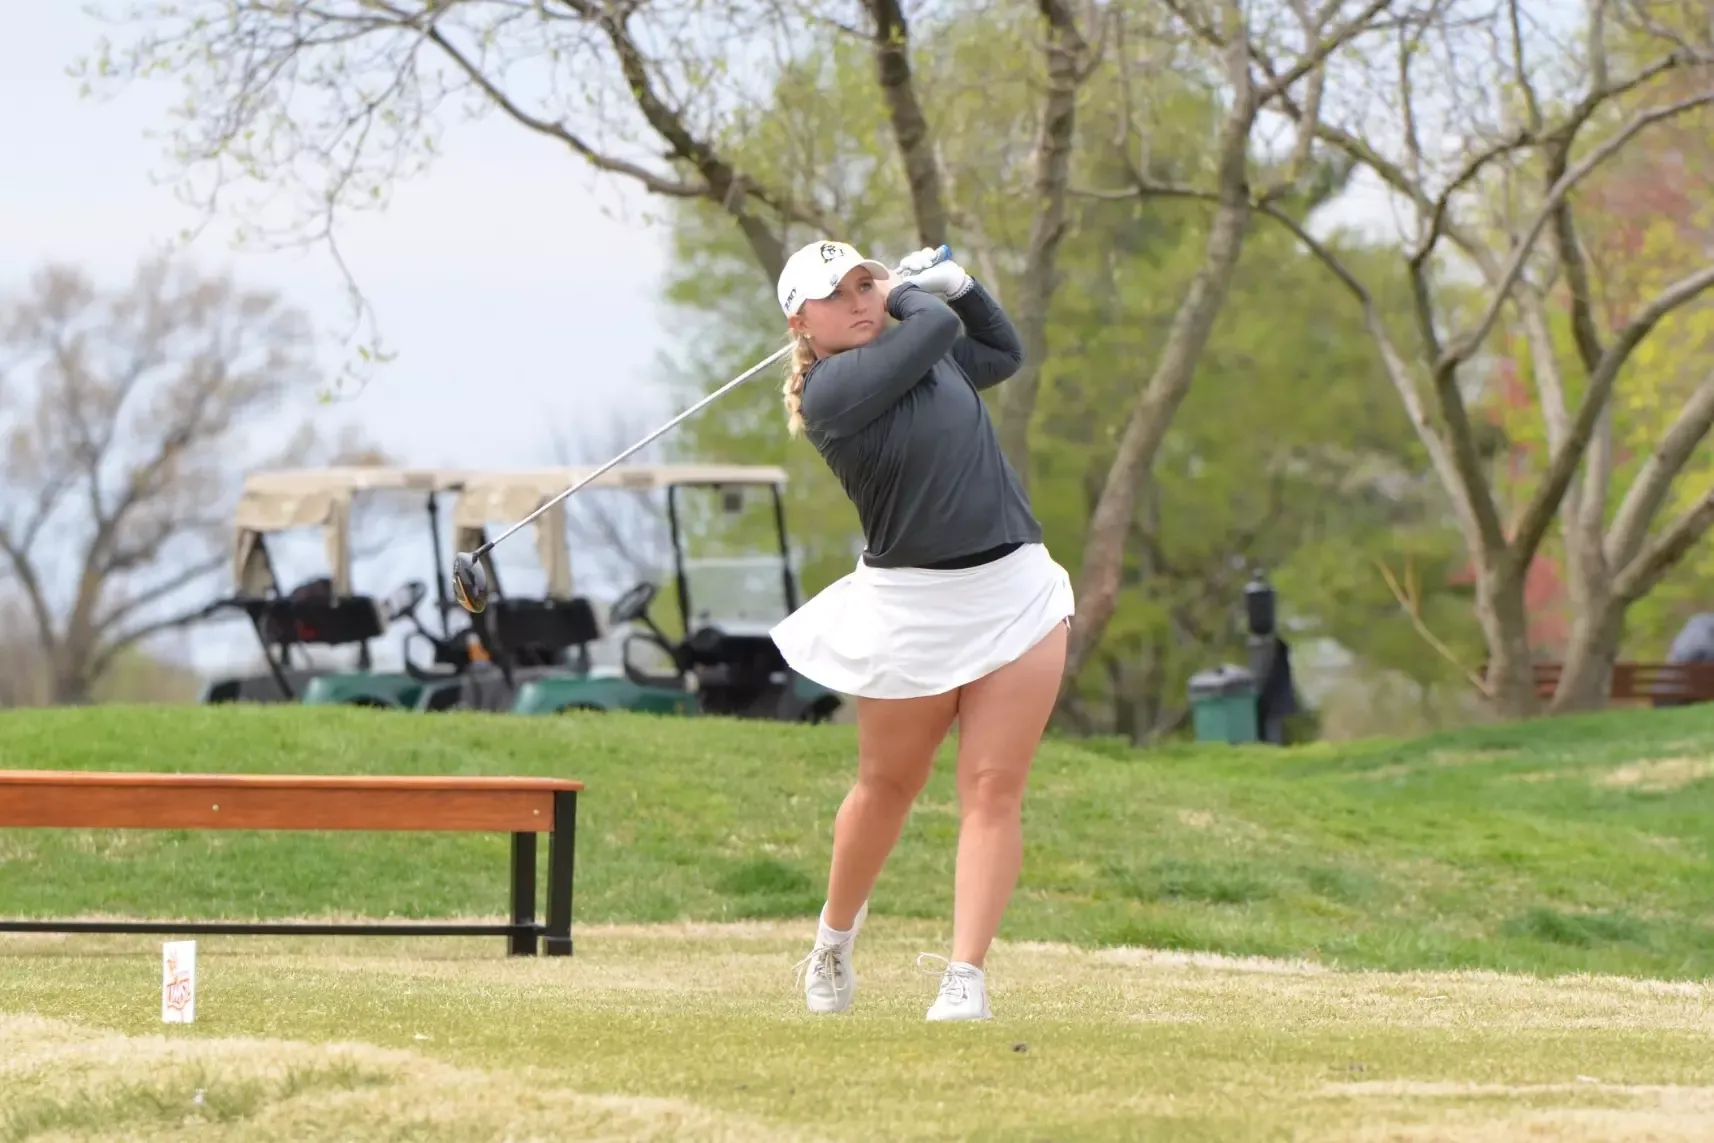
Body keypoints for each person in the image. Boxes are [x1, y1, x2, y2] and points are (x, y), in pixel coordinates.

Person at [768, 239, 1075, 1021]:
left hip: (1015, 589)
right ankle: (834, 940)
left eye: (866, 283)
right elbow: (933, 330)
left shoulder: (922, 355)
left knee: (993, 788)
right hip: (913, 608)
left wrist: (966, 285)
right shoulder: (837, 390)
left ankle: (965, 975)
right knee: (888, 786)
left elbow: (1000, 351)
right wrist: (915, 290)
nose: (863, 300)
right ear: (804, 320)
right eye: (841, 294)